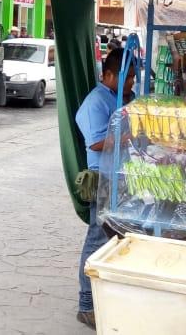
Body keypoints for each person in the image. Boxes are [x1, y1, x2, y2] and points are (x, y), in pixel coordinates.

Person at [73, 49, 136, 329]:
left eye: (133, 77)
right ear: (109, 75)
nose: (132, 83)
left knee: (116, 239)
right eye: (128, 77)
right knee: (97, 239)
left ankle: (106, 297)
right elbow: (96, 142)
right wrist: (129, 136)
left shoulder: (117, 97)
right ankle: (86, 304)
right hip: (102, 178)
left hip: (119, 177)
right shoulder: (96, 102)